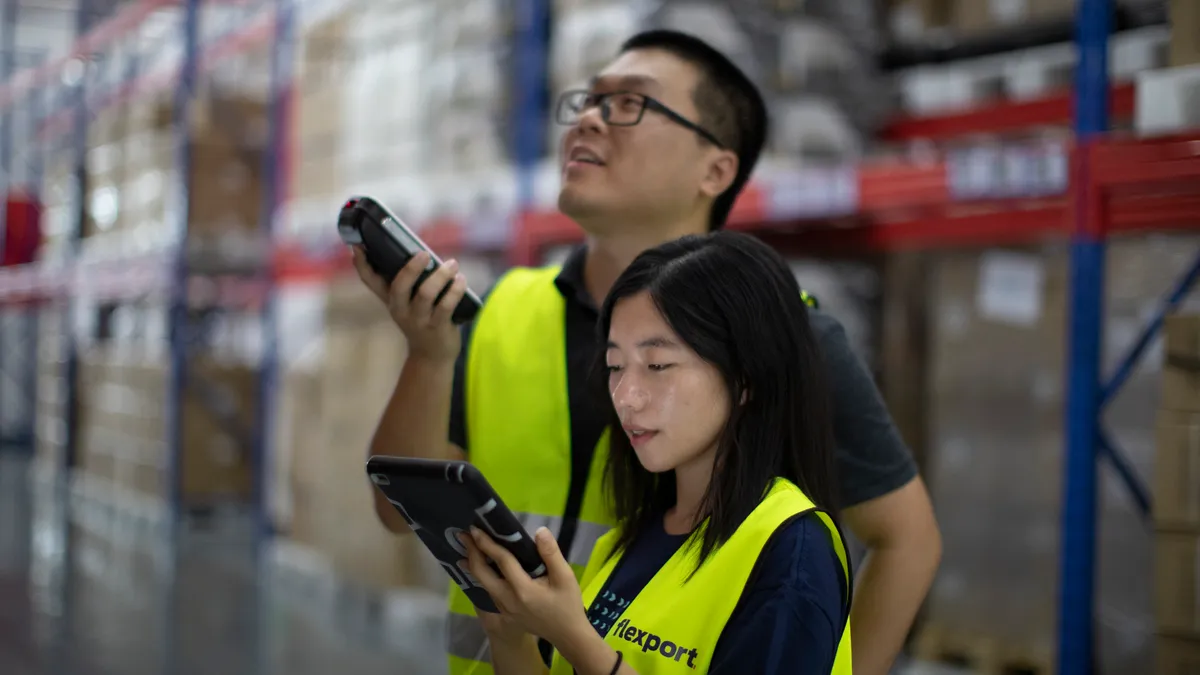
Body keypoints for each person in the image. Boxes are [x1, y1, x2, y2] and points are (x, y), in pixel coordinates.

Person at [353, 29, 940, 675]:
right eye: (587, 99)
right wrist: (428, 355)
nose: (588, 118)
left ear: (715, 168)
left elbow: (908, 539)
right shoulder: (500, 313)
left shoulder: (785, 337)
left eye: (631, 104)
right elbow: (394, 510)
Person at [458, 231, 852, 675]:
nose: (626, 396)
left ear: (746, 377)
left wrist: (575, 638)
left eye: (658, 365)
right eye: (614, 367)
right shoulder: (628, 539)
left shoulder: (791, 550)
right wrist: (507, 633)